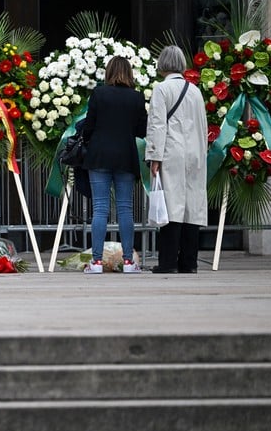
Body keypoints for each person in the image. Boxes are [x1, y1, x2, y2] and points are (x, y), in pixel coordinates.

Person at [80, 56, 147, 274]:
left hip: (99, 155)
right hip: (125, 157)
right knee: (125, 208)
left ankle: (96, 263)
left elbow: (88, 126)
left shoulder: (99, 93)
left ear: (108, 72)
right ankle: (129, 262)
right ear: (129, 73)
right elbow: (142, 130)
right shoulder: (136, 97)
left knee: (100, 208)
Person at [145, 45, 208, 273]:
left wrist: (154, 155)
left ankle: (168, 262)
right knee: (192, 206)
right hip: (194, 152)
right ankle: (189, 263)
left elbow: (158, 124)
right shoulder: (195, 91)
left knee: (171, 206)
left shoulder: (162, 89)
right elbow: (202, 125)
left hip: (171, 151)